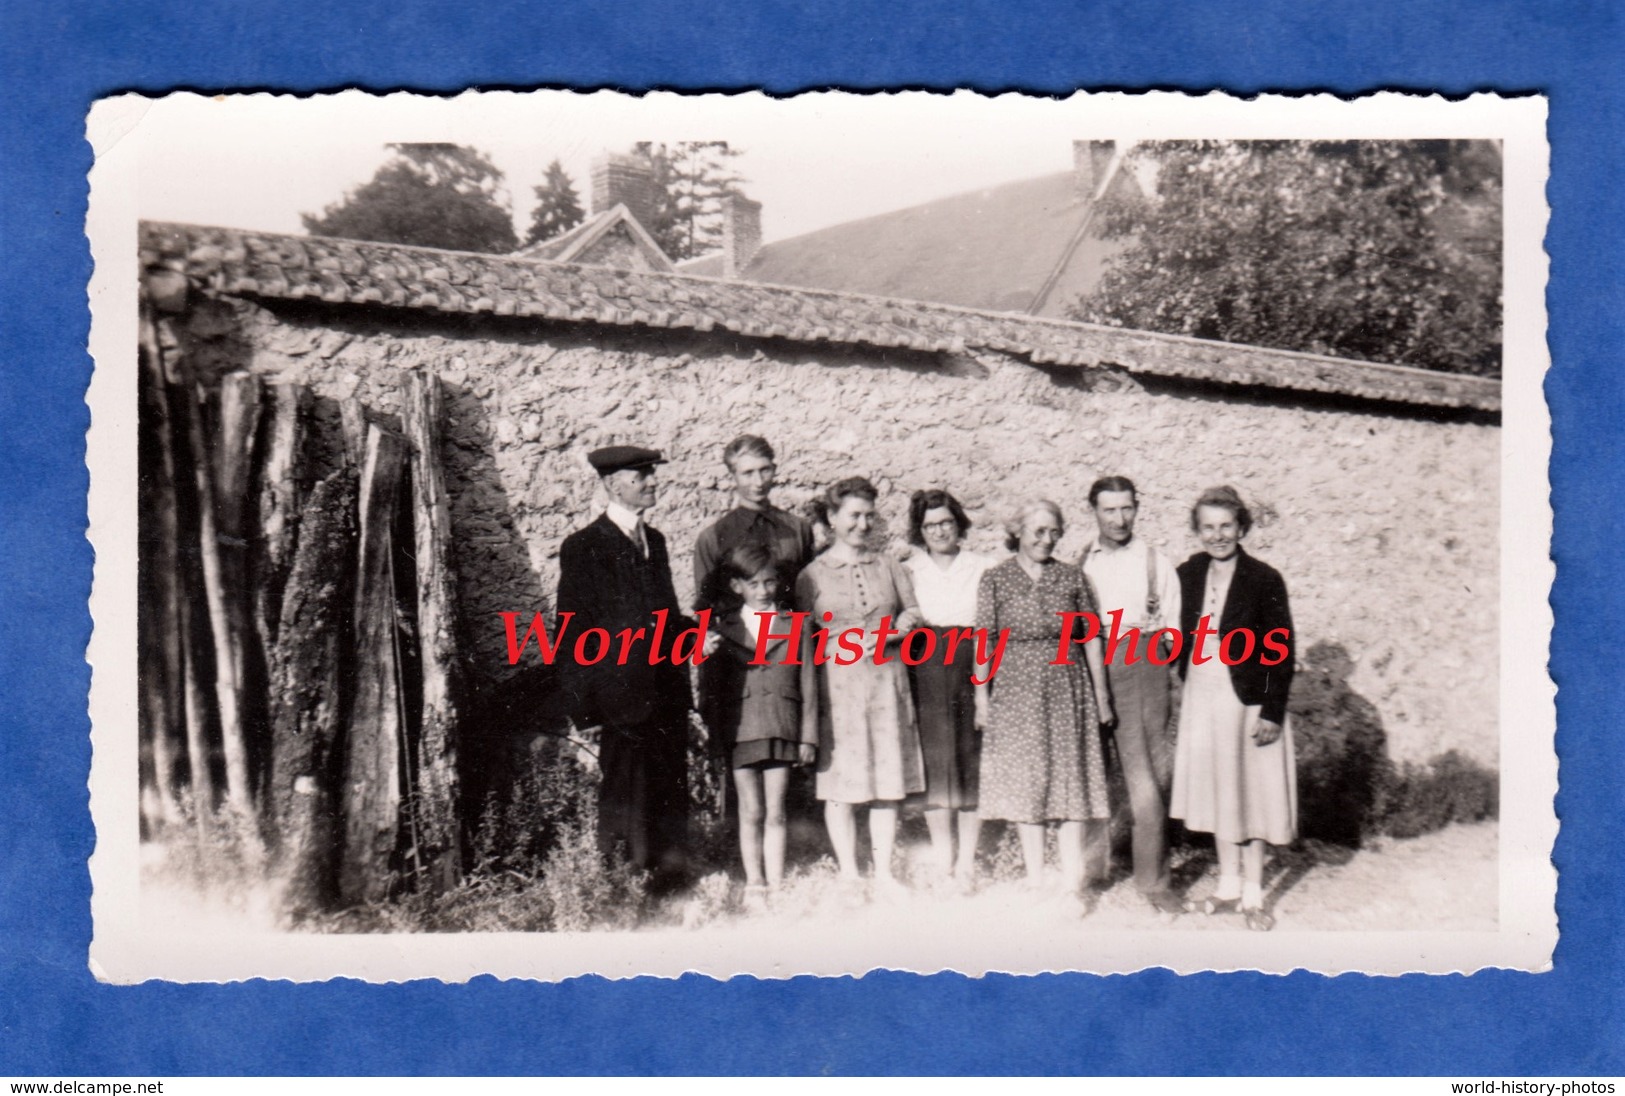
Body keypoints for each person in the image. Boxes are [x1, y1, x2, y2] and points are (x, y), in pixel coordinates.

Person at [555, 445, 695, 889]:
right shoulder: (584, 547)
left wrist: (693, 636)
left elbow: (666, 616)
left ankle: (671, 885)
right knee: (625, 795)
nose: (653, 482)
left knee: (669, 788)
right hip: (620, 698)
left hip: (665, 692)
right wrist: (585, 710)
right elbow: (572, 632)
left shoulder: (656, 541)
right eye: (642, 476)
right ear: (614, 484)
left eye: (652, 474)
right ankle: (622, 886)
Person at [975, 499, 1115, 910]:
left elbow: (1090, 637)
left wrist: (1102, 695)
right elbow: (984, 640)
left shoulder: (1072, 578)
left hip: (1066, 686)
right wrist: (981, 697)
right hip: (1015, 690)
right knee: (1026, 781)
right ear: (1017, 530)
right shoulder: (995, 579)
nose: (1046, 539)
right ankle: (1036, 880)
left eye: (1054, 532)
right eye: (1038, 531)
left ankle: (1072, 883)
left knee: (1071, 781)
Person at [1170, 485, 1297, 932]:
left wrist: (1272, 712)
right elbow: (1173, 630)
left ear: (1241, 526)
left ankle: (1253, 894)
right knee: (1218, 790)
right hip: (1203, 694)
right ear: (1197, 530)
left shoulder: (1264, 579)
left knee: (1253, 793)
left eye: (1226, 525)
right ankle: (1227, 887)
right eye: (1208, 527)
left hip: (1248, 697)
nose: (1218, 535)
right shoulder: (1186, 573)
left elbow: (1281, 649)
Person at [795, 476, 924, 901]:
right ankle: (850, 874)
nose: (863, 524)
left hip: (887, 681)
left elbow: (913, 614)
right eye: (854, 515)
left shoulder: (889, 565)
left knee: (887, 778)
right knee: (842, 781)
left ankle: (884, 872)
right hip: (839, 685)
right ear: (832, 519)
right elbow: (801, 638)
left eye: (870, 515)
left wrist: (899, 629)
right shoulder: (811, 575)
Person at [1080, 476, 1185, 916]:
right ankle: (1087, 874)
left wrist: (1157, 642)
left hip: (1142, 665)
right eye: (1109, 510)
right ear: (1095, 512)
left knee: (1145, 777)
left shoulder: (1156, 563)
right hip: (1089, 663)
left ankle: (1153, 880)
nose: (1119, 519)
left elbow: (1175, 633)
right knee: (1089, 772)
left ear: (1136, 509)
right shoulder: (1081, 563)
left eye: (1127, 509)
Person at [698, 545, 819, 913]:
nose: (764, 590)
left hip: (782, 725)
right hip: (741, 730)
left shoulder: (796, 625)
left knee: (776, 810)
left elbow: (810, 684)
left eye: (770, 582)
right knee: (750, 810)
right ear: (737, 586)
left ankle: (778, 882)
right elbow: (709, 691)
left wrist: (808, 736)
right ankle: (755, 882)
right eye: (754, 583)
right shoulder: (722, 629)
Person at [903, 489, 993, 890]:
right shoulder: (909, 569)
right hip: (925, 665)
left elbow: (986, 631)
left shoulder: (982, 567)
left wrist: (981, 691)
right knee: (935, 765)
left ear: (958, 524)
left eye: (946, 522)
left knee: (969, 763)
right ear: (920, 531)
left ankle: (967, 864)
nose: (939, 531)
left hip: (969, 664)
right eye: (930, 525)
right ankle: (943, 858)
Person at [693, 435, 816, 611]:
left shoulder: (798, 529)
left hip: (789, 634)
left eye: (764, 470)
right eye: (748, 473)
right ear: (733, 475)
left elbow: (807, 596)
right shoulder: (712, 538)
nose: (758, 482)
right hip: (737, 636)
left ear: (774, 469)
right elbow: (705, 606)